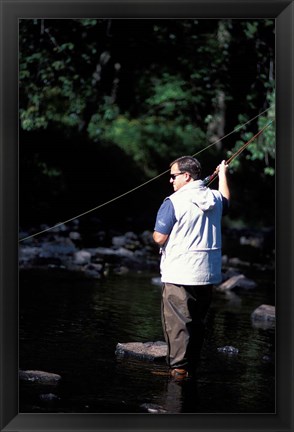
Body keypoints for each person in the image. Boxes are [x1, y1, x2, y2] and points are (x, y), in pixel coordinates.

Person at [153, 156, 230, 379]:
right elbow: (226, 200)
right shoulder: (214, 199)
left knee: (178, 324)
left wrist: (157, 236)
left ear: (186, 176)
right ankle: (190, 368)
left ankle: (178, 370)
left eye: (174, 176)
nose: (170, 180)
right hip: (207, 273)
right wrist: (223, 174)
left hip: (179, 273)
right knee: (197, 322)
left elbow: (159, 237)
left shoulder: (173, 201)